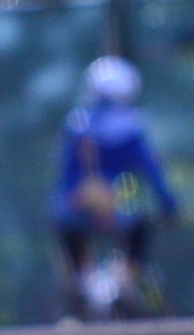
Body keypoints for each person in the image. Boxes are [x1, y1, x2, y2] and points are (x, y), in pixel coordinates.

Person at [53, 56, 178, 311]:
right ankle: (124, 280)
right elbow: (153, 173)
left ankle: (81, 288)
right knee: (139, 230)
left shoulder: (75, 124)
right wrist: (169, 206)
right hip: (122, 210)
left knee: (73, 248)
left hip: (76, 210)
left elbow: (64, 177)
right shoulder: (133, 127)